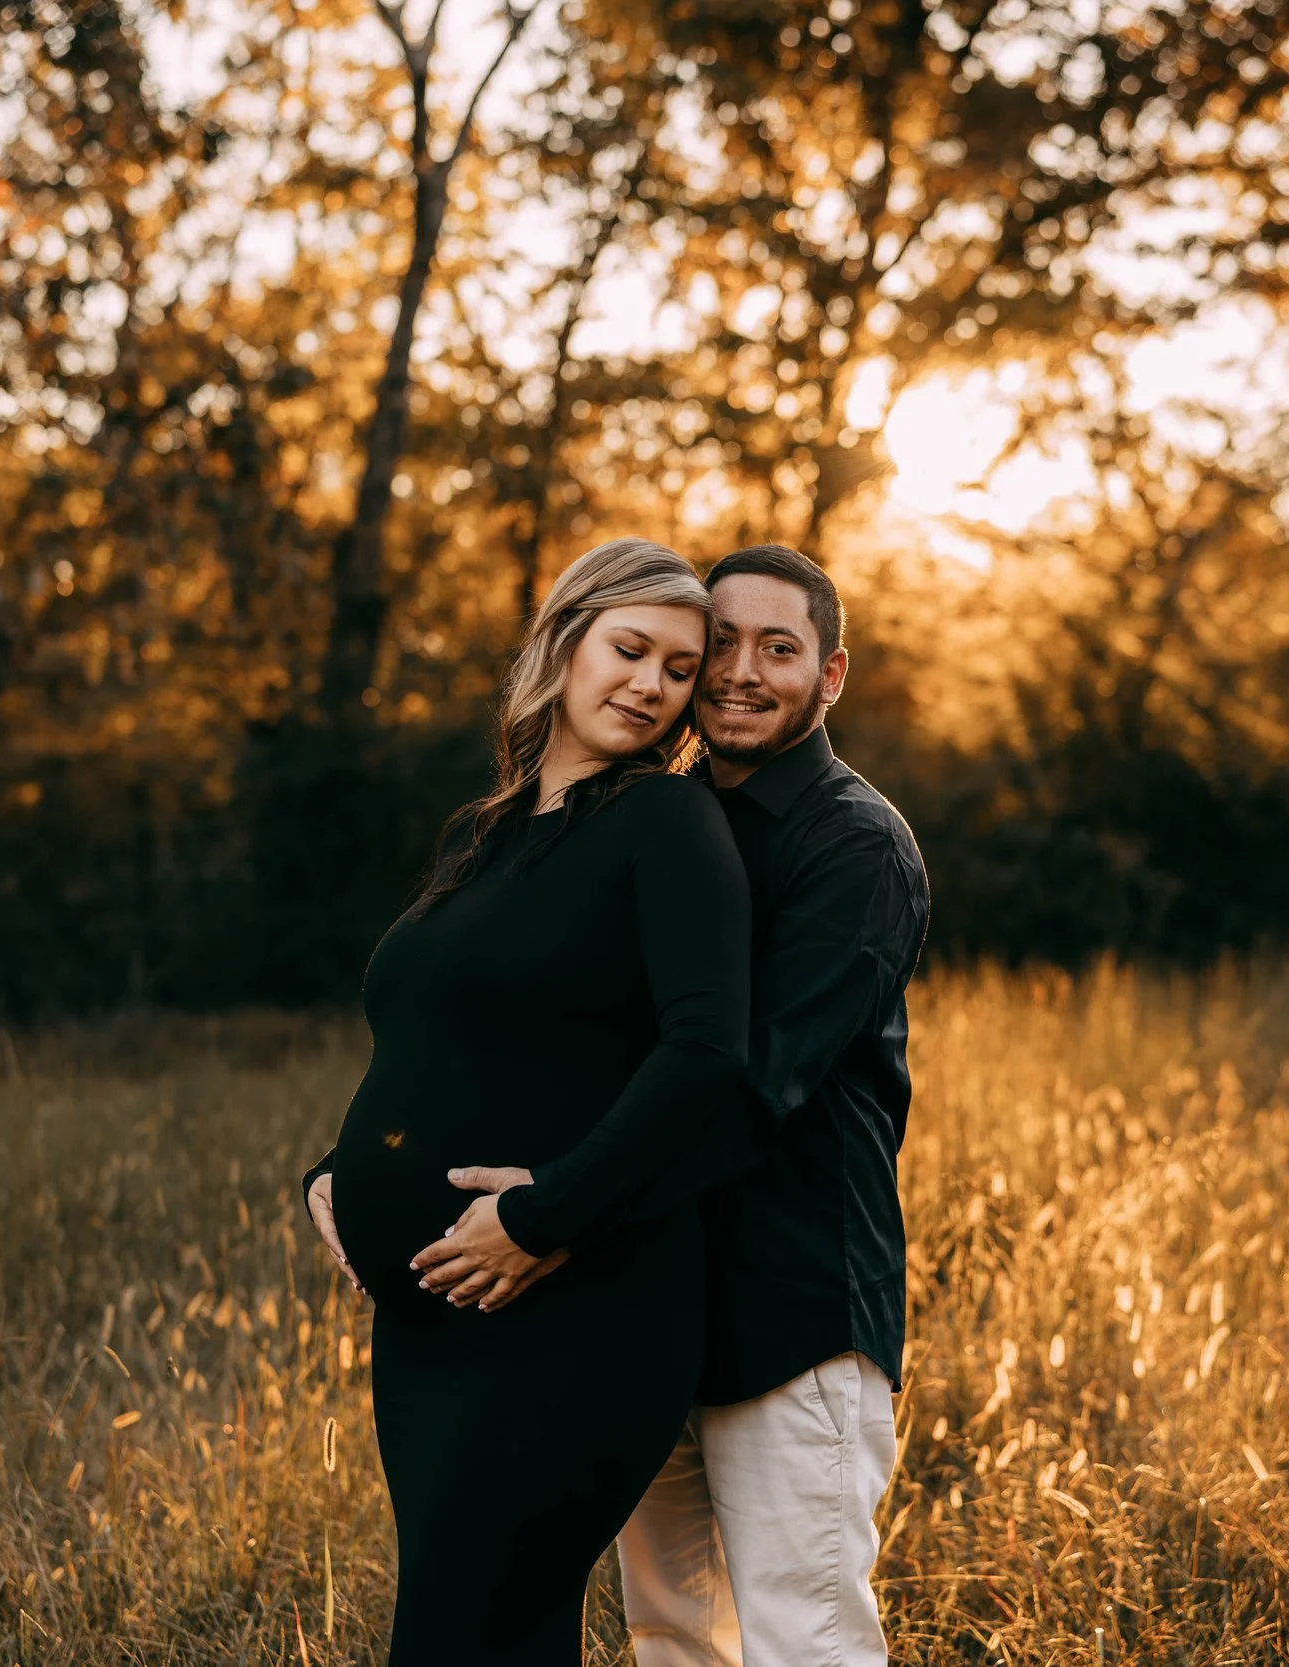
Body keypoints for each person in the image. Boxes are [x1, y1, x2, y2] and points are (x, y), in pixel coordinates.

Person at [448, 545, 930, 1667]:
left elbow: (753, 1086)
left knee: (805, 1640)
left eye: (780, 647)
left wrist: (552, 1209)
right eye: (720, 643)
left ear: (831, 674)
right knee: (672, 1639)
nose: (739, 671)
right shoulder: (650, 820)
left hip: (792, 1310)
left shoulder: (853, 845)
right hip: (649, 1303)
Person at [298, 537, 754, 1667]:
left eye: (680, 670)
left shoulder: (664, 823)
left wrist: (547, 1217)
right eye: (631, 648)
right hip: (429, 1325)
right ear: (564, 642)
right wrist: (333, 1175)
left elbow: (706, 1051)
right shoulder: (482, 833)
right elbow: (432, 1037)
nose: (652, 684)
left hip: (573, 1309)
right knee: (487, 1635)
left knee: (465, 1630)